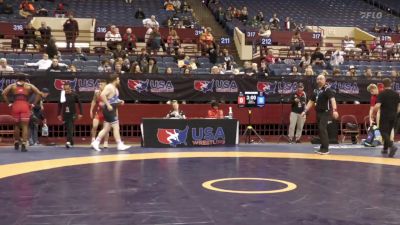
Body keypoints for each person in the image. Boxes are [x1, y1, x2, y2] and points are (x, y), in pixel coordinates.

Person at [2, 74, 43, 152]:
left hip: (16, 105)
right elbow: (39, 93)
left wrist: (8, 103)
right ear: (25, 79)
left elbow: (3, 93)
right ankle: (24, 144)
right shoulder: (29, 85)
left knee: (16, 125)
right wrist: (34, 103)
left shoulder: (12, 86)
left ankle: (16, 142)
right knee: (25, 126)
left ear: (17, 79)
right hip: (25, 105)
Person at [91, 74, 130, 151]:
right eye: (118, 79)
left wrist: (120, 101)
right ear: (115, 79)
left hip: (111, 110)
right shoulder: (109, 87)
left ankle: (96, 142)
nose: (119, 81)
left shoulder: (115, 88)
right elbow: (102, 95)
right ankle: (119, 144)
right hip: (109, 110)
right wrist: (108, 105)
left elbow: (113, 99)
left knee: (106, 128)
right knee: (116, 127)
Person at [301, 75, 339, 155]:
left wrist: (335, 110)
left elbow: (333, 100)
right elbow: (311, 101)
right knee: (320, 130)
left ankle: (326, 149)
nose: (319, 80)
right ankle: (322, 148)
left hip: (326, 112)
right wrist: (305, 111)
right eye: (318, 79)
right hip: (318, 113)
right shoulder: (315, 91)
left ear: (325, 80)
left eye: (321, 79)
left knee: (322, 128)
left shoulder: (327, 90)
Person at [372, 78, 400, 157]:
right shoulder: (396, 94)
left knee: (382, 131)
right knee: (387, 132)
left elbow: (377, 106)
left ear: (383, 85)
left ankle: (392, 146)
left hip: (385, 116)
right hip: (394, 116)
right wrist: (395, 114)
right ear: (391, 84)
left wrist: (373, 114)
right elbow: (399, 106)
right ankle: (385, 149)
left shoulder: (382, 94)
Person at [57, 81, 83, 148]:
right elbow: (59, 105)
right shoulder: (62, 95)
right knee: (68, 127)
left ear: (70, 88)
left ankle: (68, 141)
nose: (66, 90)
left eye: (67, 89)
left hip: (72, 113)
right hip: (65, 113)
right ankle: (71, 142)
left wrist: (81, 113)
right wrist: (58, 114)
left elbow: (80, 104)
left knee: (70, 126)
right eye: (65, 89)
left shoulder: (74, 95)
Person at [90, 80, 109, 148]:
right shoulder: (97, 92)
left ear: (105, 86)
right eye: (99, 84)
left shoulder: (108, 93)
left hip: (106, 113)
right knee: (94, 126)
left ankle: (106, 142)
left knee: (105, 129)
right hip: (98, 112)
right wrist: (91, 110)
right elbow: (94, 101)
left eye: (101, 84)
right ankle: (93, 140)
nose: (100, 85)